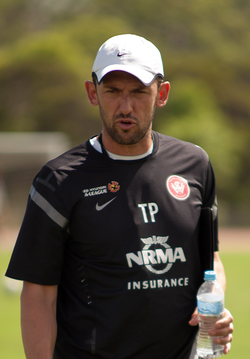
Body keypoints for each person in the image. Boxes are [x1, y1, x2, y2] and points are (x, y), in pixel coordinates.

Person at [6, 34, 233, 359]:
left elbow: (211, 261)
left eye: (139, 92)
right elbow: (39, 295)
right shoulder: (58, 180)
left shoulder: (195, 164)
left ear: (162, 93)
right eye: (112, 91)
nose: (126, 107)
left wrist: (215, 306)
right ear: (92, 92)